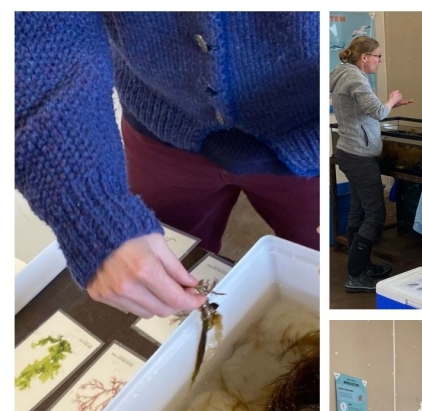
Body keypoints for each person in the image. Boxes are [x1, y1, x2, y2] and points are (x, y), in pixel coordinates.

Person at [15, 12, 319, 318]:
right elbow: (31, 30)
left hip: (315, 144)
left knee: (319, 274)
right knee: (157, 277)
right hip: (162, 125)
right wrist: (92, 211)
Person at [330, 36, 413, 294]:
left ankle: (361, 266)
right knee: (375, 213)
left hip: (350, 152)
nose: (379, 60)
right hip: (358, 156)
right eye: (377, 55)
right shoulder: (355, 77)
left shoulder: (344, 74)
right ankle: (355, 275)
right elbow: (378, 112)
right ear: (364, 57)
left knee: (358, 210)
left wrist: (388, 106)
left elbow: (367, 108)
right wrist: (390, 100)